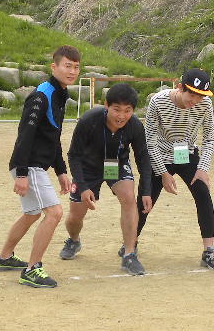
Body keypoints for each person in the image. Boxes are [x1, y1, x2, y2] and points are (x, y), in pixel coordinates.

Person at [0, 45, 80, 289]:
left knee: (32, 213)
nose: (72, 71)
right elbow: (25, 135)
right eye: (67, 66)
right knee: (54, 212)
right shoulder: (41, 96)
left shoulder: (60, 94)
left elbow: (53, 137)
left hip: (35, 165)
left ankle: (4, 257)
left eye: (76, 67)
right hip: (29, 165)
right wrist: (21, 173)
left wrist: (61, 171)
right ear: (54, 67)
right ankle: (32, 269)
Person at [59, 83, 153, 275]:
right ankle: (73, 240)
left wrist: (146, 191)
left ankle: (129, 254)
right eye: (117, 109)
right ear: (106, 105)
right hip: (88, 167)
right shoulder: (89, 120)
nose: (121, 116)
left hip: (116, 164)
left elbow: (143, 158)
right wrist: (83, 186)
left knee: (129, 198)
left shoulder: (135, 125)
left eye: (127, 111)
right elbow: (73, 155)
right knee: (75, 217)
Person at [136, 68, 214, 271]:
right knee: (145, 199)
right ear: (180, 87)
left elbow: (210, 137)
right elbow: (149, 141)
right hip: (159, 154)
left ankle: (209, 251)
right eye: (192, 94)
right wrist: (163, 173)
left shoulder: (205, 105)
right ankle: (130, 243)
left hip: (186, 152)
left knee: (203, 194)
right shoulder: (158, 101)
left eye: (201, 96)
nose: (195, 100)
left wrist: (202, 168)